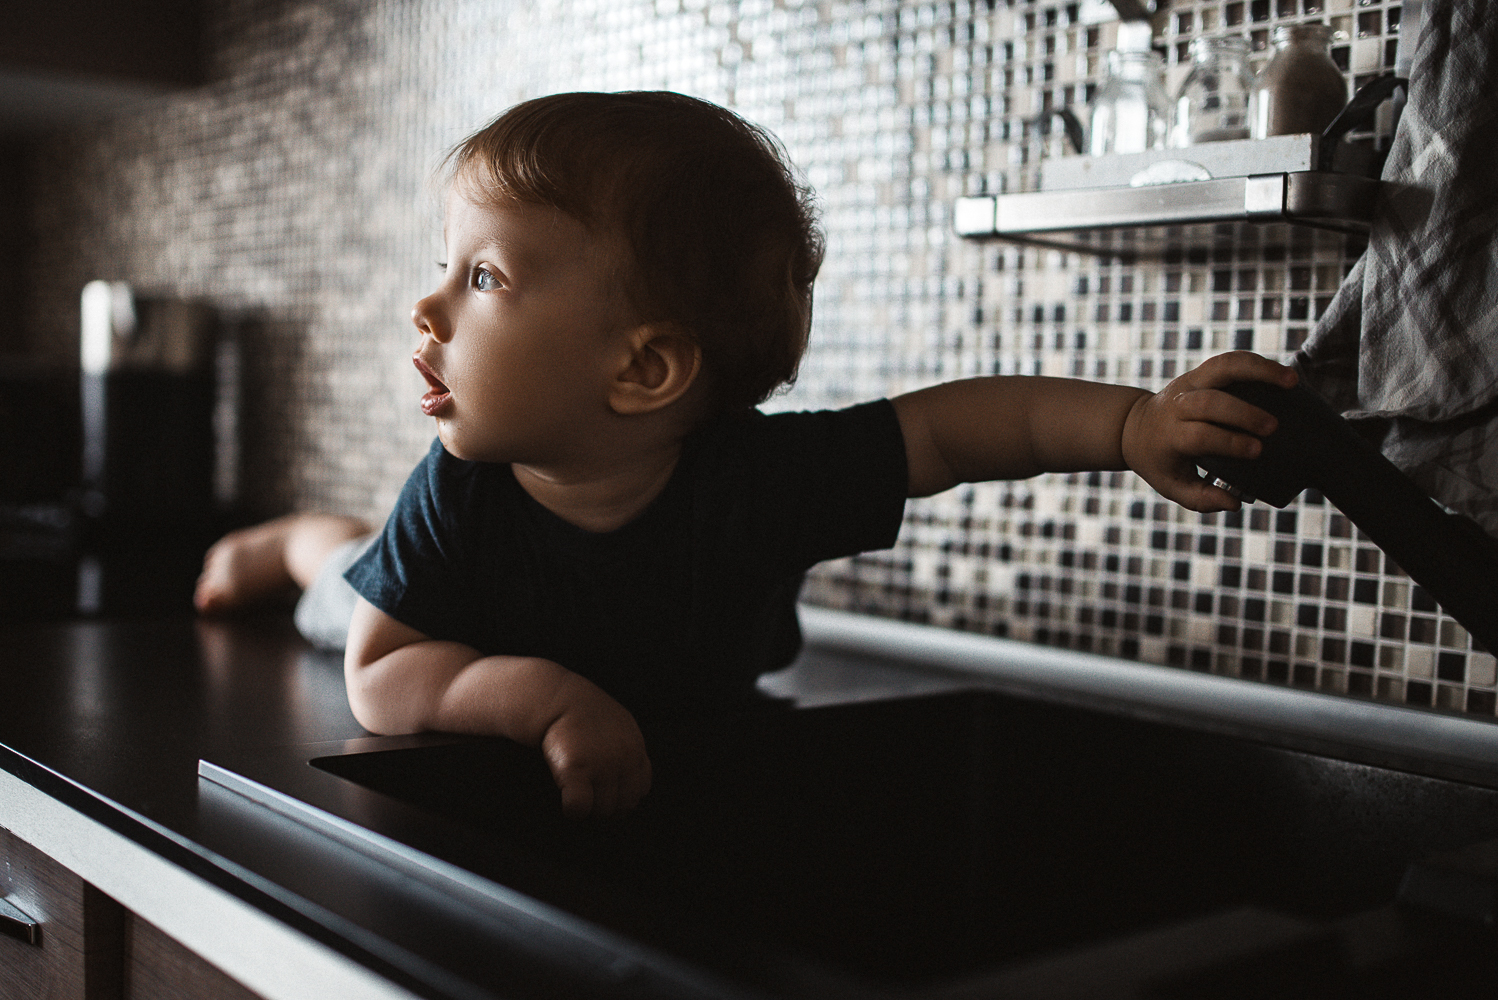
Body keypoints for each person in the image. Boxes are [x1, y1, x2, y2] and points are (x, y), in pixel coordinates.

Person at [198, 91, 1296, 819]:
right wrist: (542, 698)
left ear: (643, 372)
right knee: (343, 585)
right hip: (442, 628)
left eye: (481, 278)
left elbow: (955, 429)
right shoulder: (457, 493)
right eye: (447, 265)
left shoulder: (762, 478)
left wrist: (1128, 425)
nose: (426, 303)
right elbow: (382, 675)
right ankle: (297, 538)